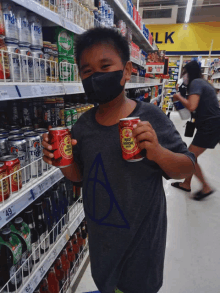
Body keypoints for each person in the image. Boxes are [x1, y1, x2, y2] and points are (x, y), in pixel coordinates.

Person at [42, 28, 195, 293]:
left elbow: (186, 167)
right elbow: (79, 175)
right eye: (87, 71)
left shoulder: (151, 117)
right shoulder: (82, 126)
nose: (96, 76)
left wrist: (157, 151)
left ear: (125, 71)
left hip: (143, 247)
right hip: (102, 245)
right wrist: (61, 160)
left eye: (105, 66)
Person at [172, 60, 220, 200]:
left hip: (210, 125)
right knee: (191, 155)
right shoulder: (203, 83)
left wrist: (178, 96)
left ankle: (206, 187)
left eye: (185, 73)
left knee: (189, 156)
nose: (184, 77)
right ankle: (186, 184)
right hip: (212, 123)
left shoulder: (196, 83)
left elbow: (192, 106)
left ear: (189, 72)